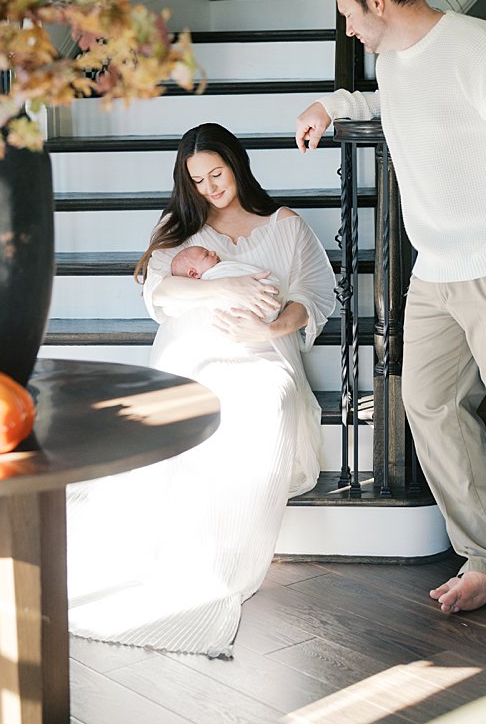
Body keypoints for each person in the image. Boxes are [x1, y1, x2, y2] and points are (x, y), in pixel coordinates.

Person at [295, 0, 486, 615]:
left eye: (349, 15)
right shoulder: (392, 60)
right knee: (428, 404)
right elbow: (399, 104)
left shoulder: (483, 49)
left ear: (377, 1)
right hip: (436, 271)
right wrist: (334, 105)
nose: (349, 29)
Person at [66, 122, 336, 656]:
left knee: (263, 398)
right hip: (196, 350)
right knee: (194, 398)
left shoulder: (285, 226)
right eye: (198, 180)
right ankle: (183, 542)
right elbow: (160, 292)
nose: (211, 188)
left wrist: (270, 327)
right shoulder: (180, 229)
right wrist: (227, 286)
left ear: (236, 163)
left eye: (217, 173)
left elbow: (313, 295)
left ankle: (224, 549)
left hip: (261, 349)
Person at [171, 244, 282, 321]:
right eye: (206, 255)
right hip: (251, 310)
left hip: (266, 297)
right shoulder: (210, 279)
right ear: (194, 274)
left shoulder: (222, 268)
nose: (213, 252)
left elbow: (239, 272)